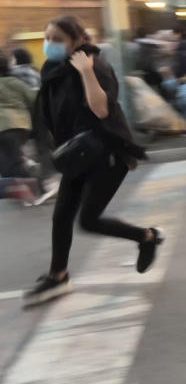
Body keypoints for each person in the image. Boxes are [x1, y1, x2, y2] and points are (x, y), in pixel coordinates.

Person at [22, 16, 162, 308]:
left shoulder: (96, 65)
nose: (49, 45)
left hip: (106, 153)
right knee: (61, 216)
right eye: (47, 38)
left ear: (78, 40)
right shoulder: (52, 70)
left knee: (89, 220)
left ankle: (146, 237)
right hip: (76, 154)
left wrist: (86, 72)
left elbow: (100, 111)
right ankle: (58, 275)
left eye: (57, 39)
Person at [0, 53, 38, 202]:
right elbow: (33, 99)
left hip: (2, 128)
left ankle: (22, 188)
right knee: (14, 157)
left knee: (7, 160)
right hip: (19, 125)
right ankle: (25, 187)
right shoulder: (14, 82)